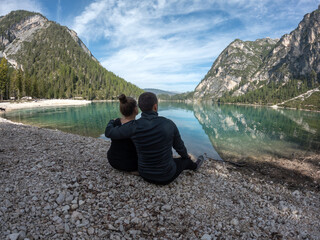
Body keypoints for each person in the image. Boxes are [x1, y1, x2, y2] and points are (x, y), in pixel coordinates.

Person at [105, 92, 205, 185]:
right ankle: (195, 166)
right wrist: (186, 156)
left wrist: (111, 121)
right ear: (155, 107)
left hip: (144, 175)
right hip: (166, 176)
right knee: (185, 161)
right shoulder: (169, 124)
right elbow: (180, 148)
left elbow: (109, 132)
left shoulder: (133, 126)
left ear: (139, 107)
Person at [106, 94, 138, 172]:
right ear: (136, 110)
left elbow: (108, 131)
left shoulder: (115, 122)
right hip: (131, 164)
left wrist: (111, 121)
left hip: (113, 161)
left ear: (121, 110)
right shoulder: (137, 126)